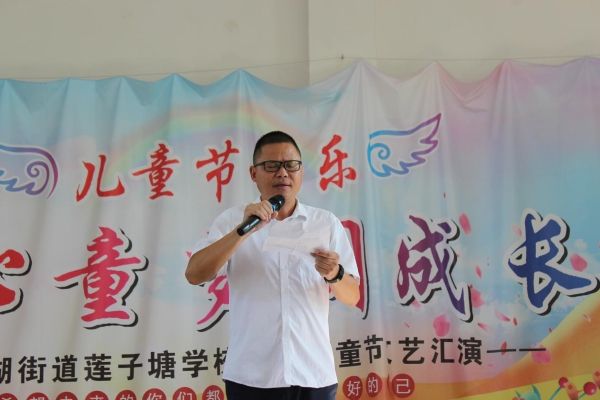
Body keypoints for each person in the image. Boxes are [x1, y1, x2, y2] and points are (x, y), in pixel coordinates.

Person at [185, 131, 360, 400]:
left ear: (301, 172)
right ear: (253, 173)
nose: (282, 173)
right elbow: (195, 274)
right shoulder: (233, 220)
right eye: (271, 165)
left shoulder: (325, 223)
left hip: (314, 374)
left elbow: (352, 296)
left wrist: (334, 273)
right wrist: (243, 231)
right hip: (251, 376)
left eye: (291, 165)